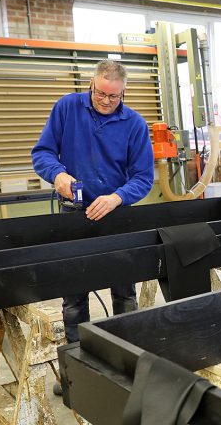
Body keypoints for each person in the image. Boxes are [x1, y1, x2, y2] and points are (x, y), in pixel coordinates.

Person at [32, 59, 154, 345]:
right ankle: (76, 361)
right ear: (91, 84)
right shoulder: (67, 107)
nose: (106, 101)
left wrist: (117, 197)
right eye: (100, 93)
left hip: (117, 214)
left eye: (114, 96)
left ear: (124, 92)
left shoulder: (134, 124)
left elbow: (143, 178)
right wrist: (58, 175)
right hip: (72, 212)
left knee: (124, 291)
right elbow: (42, 153)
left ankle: (127, 354)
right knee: (74, 294)